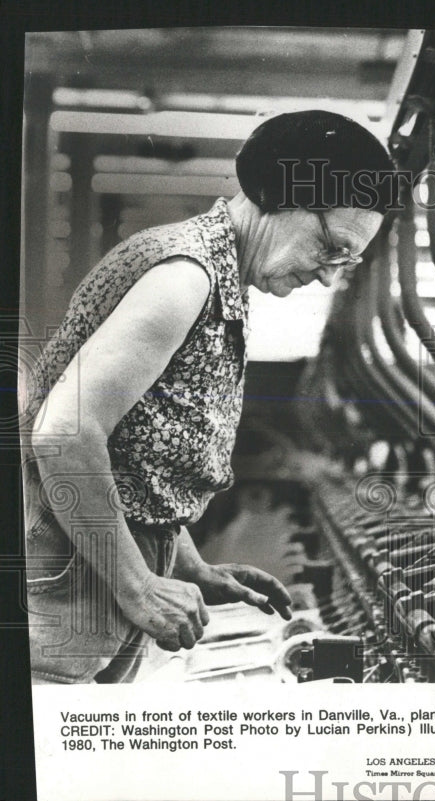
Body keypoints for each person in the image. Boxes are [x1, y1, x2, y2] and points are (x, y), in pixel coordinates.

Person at [20, 109, 396, 683]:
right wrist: (140, 585)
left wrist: (185, 561)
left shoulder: (221, 281)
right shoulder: (184, 277)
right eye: (330, 246)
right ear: (278, 194)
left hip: (93, 565)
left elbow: (135, 454)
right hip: (68, 572)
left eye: (344, 262)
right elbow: (63, 434)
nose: (327, 275)